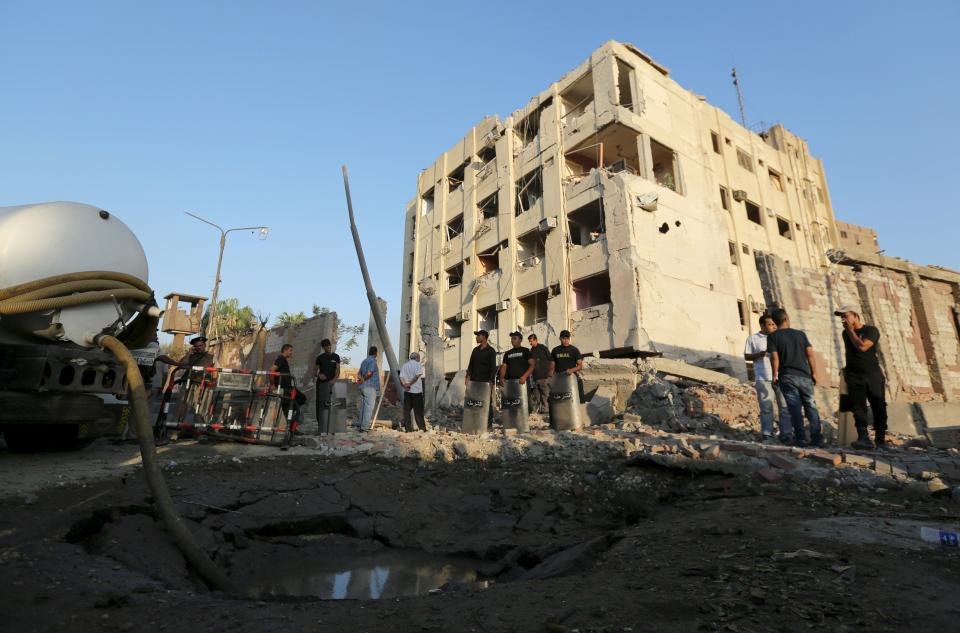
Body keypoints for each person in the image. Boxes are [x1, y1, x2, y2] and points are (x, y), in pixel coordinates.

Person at [767, 308, 823, 447]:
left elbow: (775, 357)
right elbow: (810, 354)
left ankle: (801, 439)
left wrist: (774, 375)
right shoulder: (800, 334)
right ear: (786, 319)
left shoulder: (773, 337)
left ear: (775, 321)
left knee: (795, 409)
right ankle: (817, 439)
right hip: (804, 376)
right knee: (811, 406)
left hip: (787, 377)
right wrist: (814, 372)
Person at [836, 306, 888, 450]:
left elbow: (863, 347)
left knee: (878, 405)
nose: (843, 319)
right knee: (858, 407)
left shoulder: (871, 330)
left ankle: (880, 440)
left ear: (855, 316)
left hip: (872, 374)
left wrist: (850, 330)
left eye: (845, 316)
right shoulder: (845, 333)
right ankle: (863, 438)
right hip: (854, 376)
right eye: (841, 317)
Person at [743, 314, 792, 443]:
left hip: (781, 377)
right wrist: (759, 354)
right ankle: (767, 434)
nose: (773, 327)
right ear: (762, 325)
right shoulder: (753, 339)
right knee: (766, 408)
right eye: (770, 324)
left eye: (774, 324)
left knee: (785, 407)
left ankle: (786, 435)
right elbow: (746, 356)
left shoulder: (779, 337)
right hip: (763, 377)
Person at [465, 330, 498, 428]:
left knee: (487, 402)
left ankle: (488, 424)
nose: (476, 337)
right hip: (474, 381)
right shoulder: (475, 350)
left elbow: (493, 367)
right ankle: (474, 422)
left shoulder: (491, 351)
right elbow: (470, 365)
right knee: (474, 402)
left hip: (486, 382)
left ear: (484, 337)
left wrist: (491, 381)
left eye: (478, 336)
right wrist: (468, 377)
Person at [549, 330, 584, 402]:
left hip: (571, 379)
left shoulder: (574, 350)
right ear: (560, 338)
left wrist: (572, 370)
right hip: (559, 379)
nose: (565, 340)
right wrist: (552, 371)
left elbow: (580, 366)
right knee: (561, 401)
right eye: (563, 338)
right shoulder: (555, 350)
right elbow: (552, 363)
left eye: (567, 338)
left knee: (574, 399)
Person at [315, 338, 341, 434]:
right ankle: (321, 428)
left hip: (332, 384)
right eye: (326, 346)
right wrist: (319, 375)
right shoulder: (320, 358)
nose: (328, 347)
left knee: (332, 405)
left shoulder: (336, 357)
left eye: (329, 345)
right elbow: (315, 371)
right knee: (320, 406)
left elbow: (338, 370)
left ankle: (331, 428)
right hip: (321, 385)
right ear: (323, 347)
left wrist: (334, 380)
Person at [400, 352, 427, 432]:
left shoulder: (405, 365)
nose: (419, 358)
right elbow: (417, 376)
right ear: (417, 357)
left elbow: (401, 377)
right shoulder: (417, 365)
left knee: (407, 411)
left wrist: (405, 384)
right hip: (416, 391)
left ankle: (408, 429)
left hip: (407, 391)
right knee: (418, 411)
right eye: (419, 357)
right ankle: (422, 429)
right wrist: (409, 384)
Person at [356, 346, 380, 432]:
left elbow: (358, 374)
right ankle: (364, 428)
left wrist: (360, 380)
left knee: (364, 407)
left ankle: (360, 425)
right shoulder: (372, 361)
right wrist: (364, 379)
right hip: (370, 386)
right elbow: (370, 373)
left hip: (363, 387)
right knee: (369, 408)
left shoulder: (364, 361)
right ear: (376, 353)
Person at [527, 333, 551, 414]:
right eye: (529, 342)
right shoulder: (531, 351)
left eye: (531, 341)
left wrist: (551, 371)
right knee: (538, 395)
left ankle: (546, 411)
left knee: (545, 394)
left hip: (544, 376)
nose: (530, 343)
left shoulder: (543, 348)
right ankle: (541, 410)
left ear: (536, 340)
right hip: (535, 377)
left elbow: (550, 360)